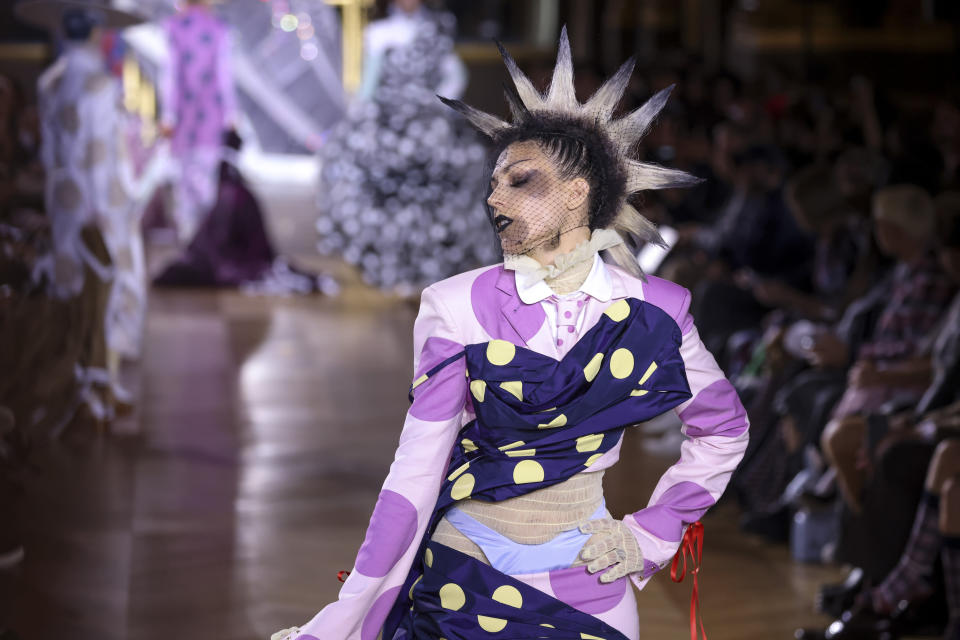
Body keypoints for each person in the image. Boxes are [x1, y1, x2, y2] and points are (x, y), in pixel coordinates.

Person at [274, 28, 748, 640]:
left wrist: (651, 534)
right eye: (494, 181)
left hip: (589, 584)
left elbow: (724, 429)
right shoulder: (452, 306)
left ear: (578, 196)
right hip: (462, 574)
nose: (493, 198)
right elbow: (415, 473)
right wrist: (341, 620)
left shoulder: (657, 310)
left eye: (519, 181)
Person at [16, 0, 147, 424]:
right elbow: (94, 153)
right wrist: (100, 206)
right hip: (97, 199)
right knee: (106, 286)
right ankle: (94, 381)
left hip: (64, 196)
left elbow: (55, 149)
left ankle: (81, 379)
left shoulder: (52, 80)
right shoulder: (99, 84)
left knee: (72, 284)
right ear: (94, 32)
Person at [315, 0, 496, 295]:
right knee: (386, 192)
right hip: (391, 127)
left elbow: (455, 73)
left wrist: (436, 101)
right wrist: (360, 118)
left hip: (430, 128)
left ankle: (431, 267)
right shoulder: (380, 33)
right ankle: (394, 266)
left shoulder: (436, 29)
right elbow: (369, 84)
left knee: (439, 193)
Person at [159, 0, 237, 243]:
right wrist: (231, 113)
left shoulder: (173, 27)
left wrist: (168, 115)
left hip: (182, 117)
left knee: (184, 181)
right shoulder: (218, 28)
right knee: (207, 179)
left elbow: (170, 74)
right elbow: (224, 75)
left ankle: (189, 240)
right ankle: (207, 242)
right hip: (211, 115)